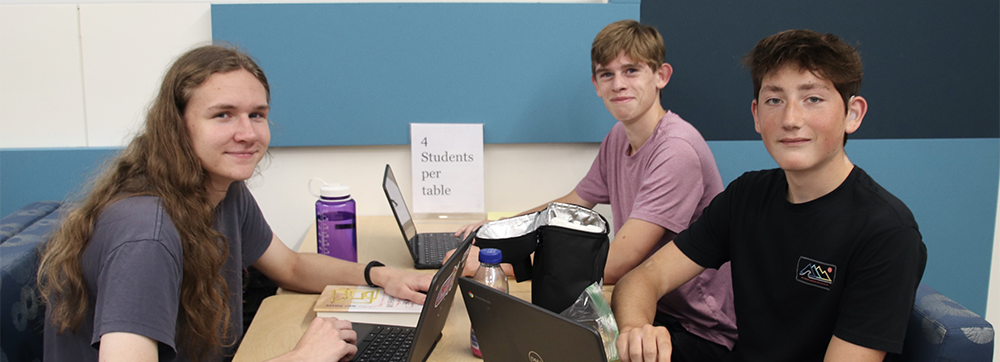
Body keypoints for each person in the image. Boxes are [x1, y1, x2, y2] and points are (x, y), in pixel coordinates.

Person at [37, 45, 433, 362]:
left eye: (257, 115)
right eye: (223, 115)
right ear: (177, 127)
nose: (247, 133)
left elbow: (291, 267)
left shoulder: (219, 188)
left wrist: (382, 276)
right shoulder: (147, 236)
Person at [611, 29, 928, 362]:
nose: (790, 119)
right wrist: (636, 331)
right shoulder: (747, 195)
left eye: (813, 99)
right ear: (756, 115)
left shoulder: (887, 232)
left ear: (853, 114)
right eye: (774, 100)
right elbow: (644, 277)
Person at [452, 20, 737, 360]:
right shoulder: (618, 138)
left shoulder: (677, 150)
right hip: (646, 311)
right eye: (607, 74)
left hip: (696, 329)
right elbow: (568, 208)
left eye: (631, 71)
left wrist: (508, 264)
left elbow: (618, 263)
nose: (618, 84)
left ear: (661, 75)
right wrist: (493, 235)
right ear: (596, 84)